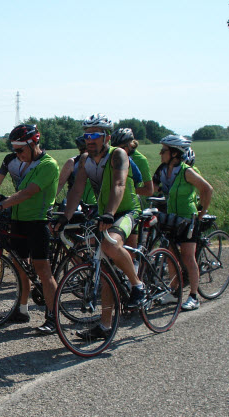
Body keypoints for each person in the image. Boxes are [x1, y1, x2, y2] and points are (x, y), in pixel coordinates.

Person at [55, 114, 145, 340]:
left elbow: (119, 183)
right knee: (104, 272)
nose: (90, 139)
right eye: (87, 135)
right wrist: (65, 217)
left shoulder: (118, 154)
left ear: (106, 136)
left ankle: (137, 284)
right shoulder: (86, 160)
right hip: (105, 213)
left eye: (95, 135)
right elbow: (76, 190)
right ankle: (105, 326)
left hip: (125, 211)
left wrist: (110, 213)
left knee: (111, 244)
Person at [0, 124, 59, 333]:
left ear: (34, 143)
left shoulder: (48, 165)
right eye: (14, 150)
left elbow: (27, 193)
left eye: (20, 150)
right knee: (19, 267)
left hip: (38, 221)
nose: (17, 155)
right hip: (18, 220)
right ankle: (22, 310)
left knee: (43, 270)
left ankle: (53, 317)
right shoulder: (22, 162)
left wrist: (0, 204)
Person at [154, 135, 213, 311]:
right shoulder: (163, 170)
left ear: (174, 153)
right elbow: (152, 187)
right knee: (170, 255)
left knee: (188, 256)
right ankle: (174, 292)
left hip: (188, 218)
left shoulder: (187, 171)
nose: (160, 153)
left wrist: (202, 211)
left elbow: (207, 189)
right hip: (171, 217)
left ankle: (194, 296)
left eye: (163, 150)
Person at [111, 127, 152, 247]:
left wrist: (127, 189)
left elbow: (149, 190)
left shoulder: (140, 160)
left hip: (132, 205)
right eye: (115, 147)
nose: (118, 151)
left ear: (130, 145)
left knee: (129, 248)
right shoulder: (112, 156)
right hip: (115, 203)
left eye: (122, 147)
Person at [57, 134, 97, 211]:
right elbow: (60, 184)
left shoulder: (100, 162)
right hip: (75, 206)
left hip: (95, 206)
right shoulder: (72, 162)